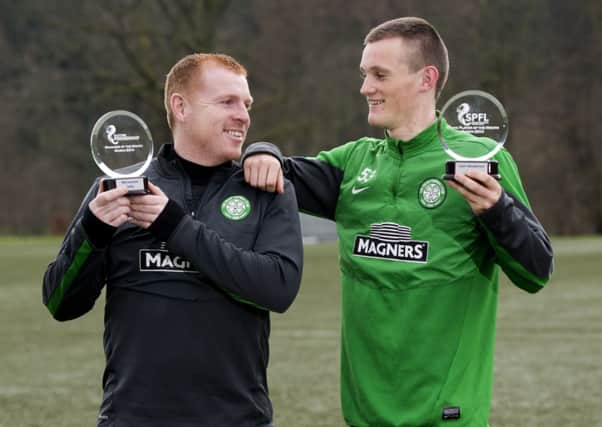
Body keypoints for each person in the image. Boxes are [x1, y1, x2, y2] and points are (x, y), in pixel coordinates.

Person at [242, 17, 553, 427]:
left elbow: (536, 271)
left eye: (379, 75)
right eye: (364, 74)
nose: (365, 87)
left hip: (445, 416)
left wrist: (497, 210)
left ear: (426, 79)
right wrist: (259, 150)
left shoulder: (478, 161)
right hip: (363, 416)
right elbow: (277, 170)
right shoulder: (353, 163)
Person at [42, 53, 303, 427]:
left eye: (246, 105)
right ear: (180, 107)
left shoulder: (267, 189)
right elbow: (59, 301)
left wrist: (176, 228)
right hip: (132, 418)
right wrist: (93, 230)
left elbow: (277, 288)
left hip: (238, 419)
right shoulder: (119, 189)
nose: (244, 116)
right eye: (227, 102)